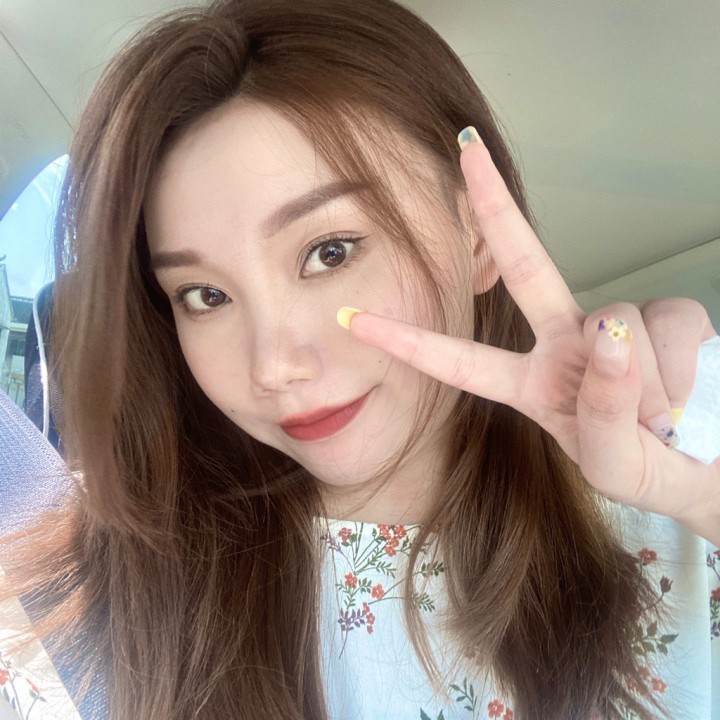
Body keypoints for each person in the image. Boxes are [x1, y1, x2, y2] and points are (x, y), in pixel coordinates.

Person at [1, 1, 718, 718]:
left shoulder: (675, 477)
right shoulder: (85, 621)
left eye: (330, 251)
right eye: (205, 295)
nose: (274, 367)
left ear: (476, 237)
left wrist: (700, 501)